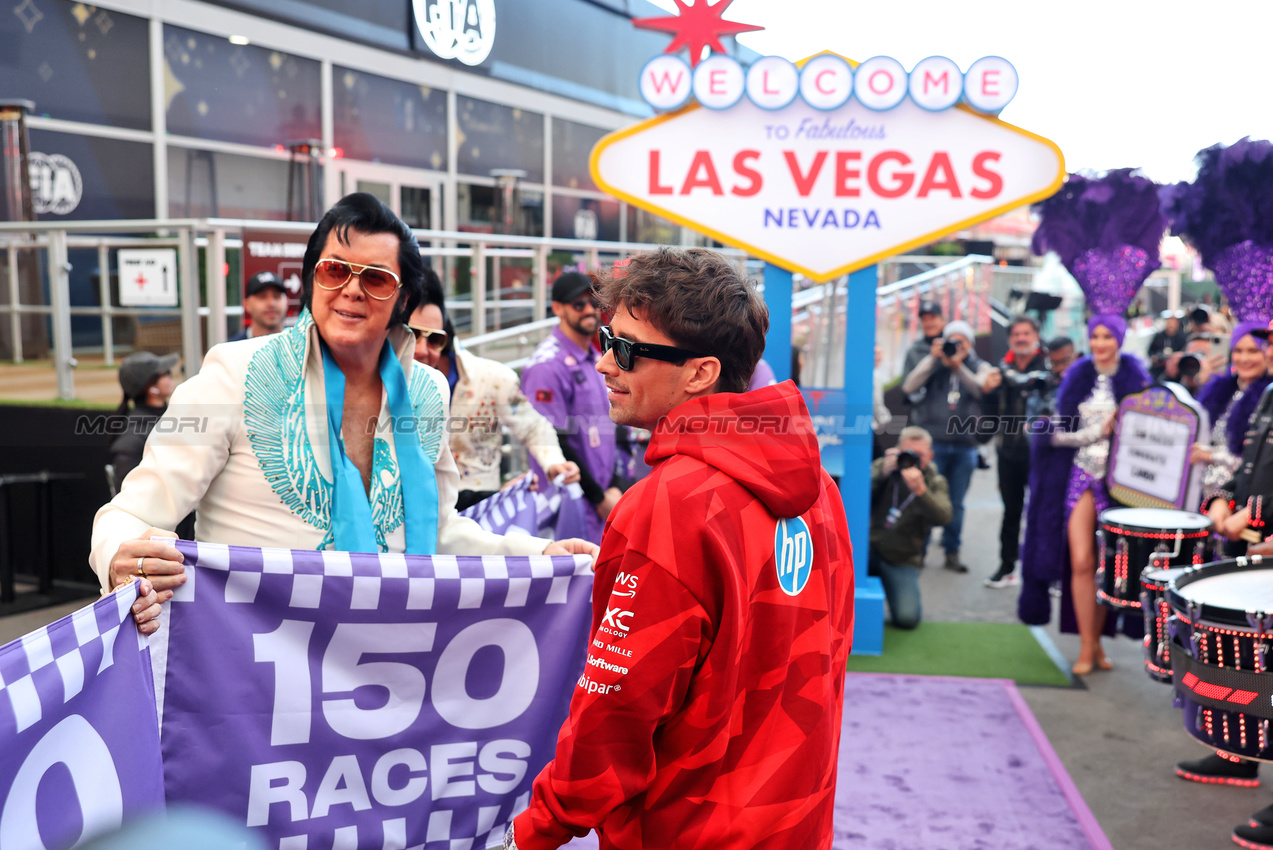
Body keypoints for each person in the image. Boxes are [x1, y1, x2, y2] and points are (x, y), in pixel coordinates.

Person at [90, 193, 596, 633]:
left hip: (384, 672)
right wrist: (120, 554)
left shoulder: (428, 392)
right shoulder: (234, 372)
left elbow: (437, 533)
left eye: (376, 279)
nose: (352, 290)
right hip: (251, 680)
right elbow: (129, 513)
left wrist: (537, 558)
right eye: (334, 270)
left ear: (403, 301)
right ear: (312, 281)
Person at [507, 247, 854, 850]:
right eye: (606, 340)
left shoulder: (667, 507)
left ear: (701, 373)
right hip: (797, 821)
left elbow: (613, 719)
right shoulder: (819, 487)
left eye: (629, 350)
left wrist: (531, 834)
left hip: (688, 830)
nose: (606, 364)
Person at [1018, 168, 1162, 675]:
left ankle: (1098, 646)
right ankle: (1083, 648)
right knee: (1080, 560)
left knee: (1110, 567)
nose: (1101, 344)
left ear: (1120, 338)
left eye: (1108, 337)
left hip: (1124, 484)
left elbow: (1156, 439)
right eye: (1095, 337)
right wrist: (1092, 433)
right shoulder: (1074, 378)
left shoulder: (1139, 381)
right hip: (1079, 477)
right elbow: (1054, 431)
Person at [407, 267, 578, 510]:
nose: (422, 350)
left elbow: (534, 426)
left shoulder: (493, 378)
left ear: (446, 334)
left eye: (434, 339)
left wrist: (554, 463)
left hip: (480, 518)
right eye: (412, 335)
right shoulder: (385, 382)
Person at [522, 271, 618, 544]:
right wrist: (599, 497)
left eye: (594, 302)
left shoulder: (595, 357)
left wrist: (612, 487)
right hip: (567, 504)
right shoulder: (546, 365)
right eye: (579, 304)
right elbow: (551, 439)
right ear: (558, 309)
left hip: (600, 501)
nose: (589, 310)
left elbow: (610, 427)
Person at [900, 318, 994, 573]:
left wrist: (958, 366)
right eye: (951, 341)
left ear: (970, 344)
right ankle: (919, 550)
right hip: (935, 444)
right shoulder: (935, 364)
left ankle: (952, 551)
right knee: (925, 496)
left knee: (957, 502)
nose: (955, 346)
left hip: (965, 445)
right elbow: (909, 386)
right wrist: (934, 359)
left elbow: (980, 390)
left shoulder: (979, 365)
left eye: (961, 342)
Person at [981, 315, 1049, 588]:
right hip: (1008, 452)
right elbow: (988, 411)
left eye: (1026, 333)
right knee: (1011, 512)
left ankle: (1041, 572)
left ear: (1035, 336)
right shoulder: (999, 371)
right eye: (1016, 334)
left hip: (1041, 454)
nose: (1021, 338)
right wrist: (987, 391)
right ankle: (1007, 566)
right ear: (1010, 339)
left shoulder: (1048, 367)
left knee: (1042, 513)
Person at [869, 426, 952, 628]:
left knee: (907, 619)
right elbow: (853, 498)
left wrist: (922, 491)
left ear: (930, 456)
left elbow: (944, 517)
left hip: (902, 558)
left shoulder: (935, 481)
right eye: (907, 453)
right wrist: (881, 474)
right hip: (867, 550)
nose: (912, 459)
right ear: (898, 450)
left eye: (919, 455)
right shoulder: (884, 467)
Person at [108, 351, 179, 486]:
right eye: (165, 374)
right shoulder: (135, 433)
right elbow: (128, 486)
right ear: (151, 387)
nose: (171, 377)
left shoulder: (169, 415)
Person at [228, 271, 288, 340]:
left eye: (277, 296)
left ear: (287, 302)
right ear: (246, 304)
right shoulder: (232, 348)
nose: (271, 304)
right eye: (262, 297)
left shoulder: (300, 345)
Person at [902, 299, 945, 378]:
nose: (929, 323)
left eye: (932, 318)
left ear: (942, 320)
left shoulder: (953, 344)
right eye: (924, 320)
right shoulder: (914, 350)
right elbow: (906, 386)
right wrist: (932, 358)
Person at [1146, 310, 1187, 381]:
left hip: (1175, 369)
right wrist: (1155, 357)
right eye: (1169, 322)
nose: (1171, 324)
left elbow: (1184, 352)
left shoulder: (1182, 338)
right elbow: (1150, 351)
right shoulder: (1159, 336)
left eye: (1173, 322)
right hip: (1159, 367)